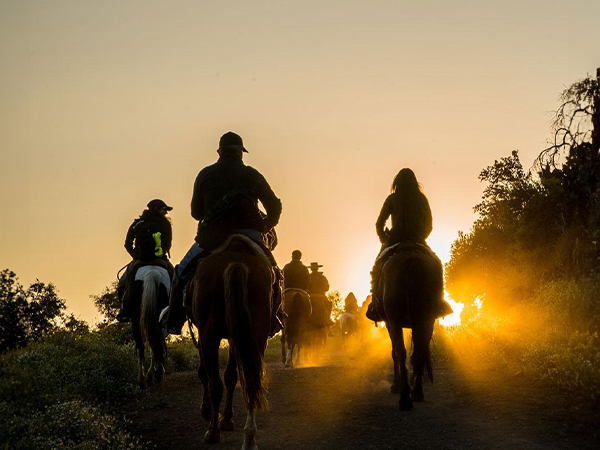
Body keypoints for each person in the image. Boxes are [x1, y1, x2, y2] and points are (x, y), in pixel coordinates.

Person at [163, 131, 283, 336]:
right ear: (240, 152)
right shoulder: (252, 174)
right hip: (250, 235)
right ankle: (273, 319)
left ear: (219, 151)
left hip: (212, 238)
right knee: (276, 275)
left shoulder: (205, 174)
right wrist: (264, 226)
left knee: (181, 274)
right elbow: (274, 205)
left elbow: (196, 213)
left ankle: (175, 320)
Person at [366, 168, 449, 322]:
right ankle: (439, 302)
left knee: (377, 266)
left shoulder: (392, 199)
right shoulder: (421, 199)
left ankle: (375, 304)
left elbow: (379, 223)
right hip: (418, 240)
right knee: (437, 264)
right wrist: (419, 237)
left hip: (394, 240)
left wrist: (384, 238)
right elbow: (429, 225)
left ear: (397, 182)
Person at [116, 199, 174, 322]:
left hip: (139, 261)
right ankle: (177, 311)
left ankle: (124, 310)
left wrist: (136, 256)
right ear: (157, 209)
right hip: (161, 261)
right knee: (177, 281)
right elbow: (168, 245)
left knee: (122, 283)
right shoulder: (165, 224)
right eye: (164, 209)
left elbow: (127, 244)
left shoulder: (137, 223)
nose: (165, 213)